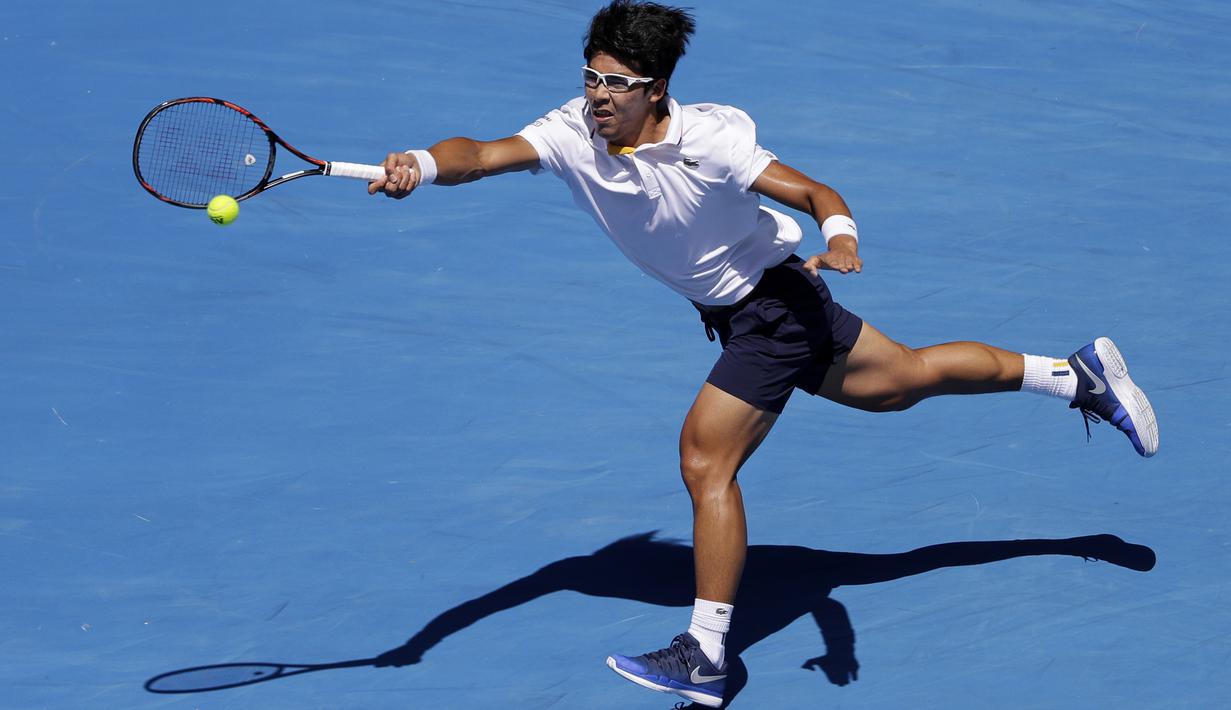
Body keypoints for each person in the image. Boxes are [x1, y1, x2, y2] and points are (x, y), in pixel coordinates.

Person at [367, 1, 1159, 706]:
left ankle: (706, 653)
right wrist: (423, 164)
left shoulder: (710, 141)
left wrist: (840, 238)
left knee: (705, 461)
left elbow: (819, 196)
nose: (596, 96)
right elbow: (480, 152)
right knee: (903, 382)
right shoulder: (571, 131)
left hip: (771, 310)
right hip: (754, 309)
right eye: (590, 78)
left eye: (615, 83)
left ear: (655, 89)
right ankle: (1074, 375)